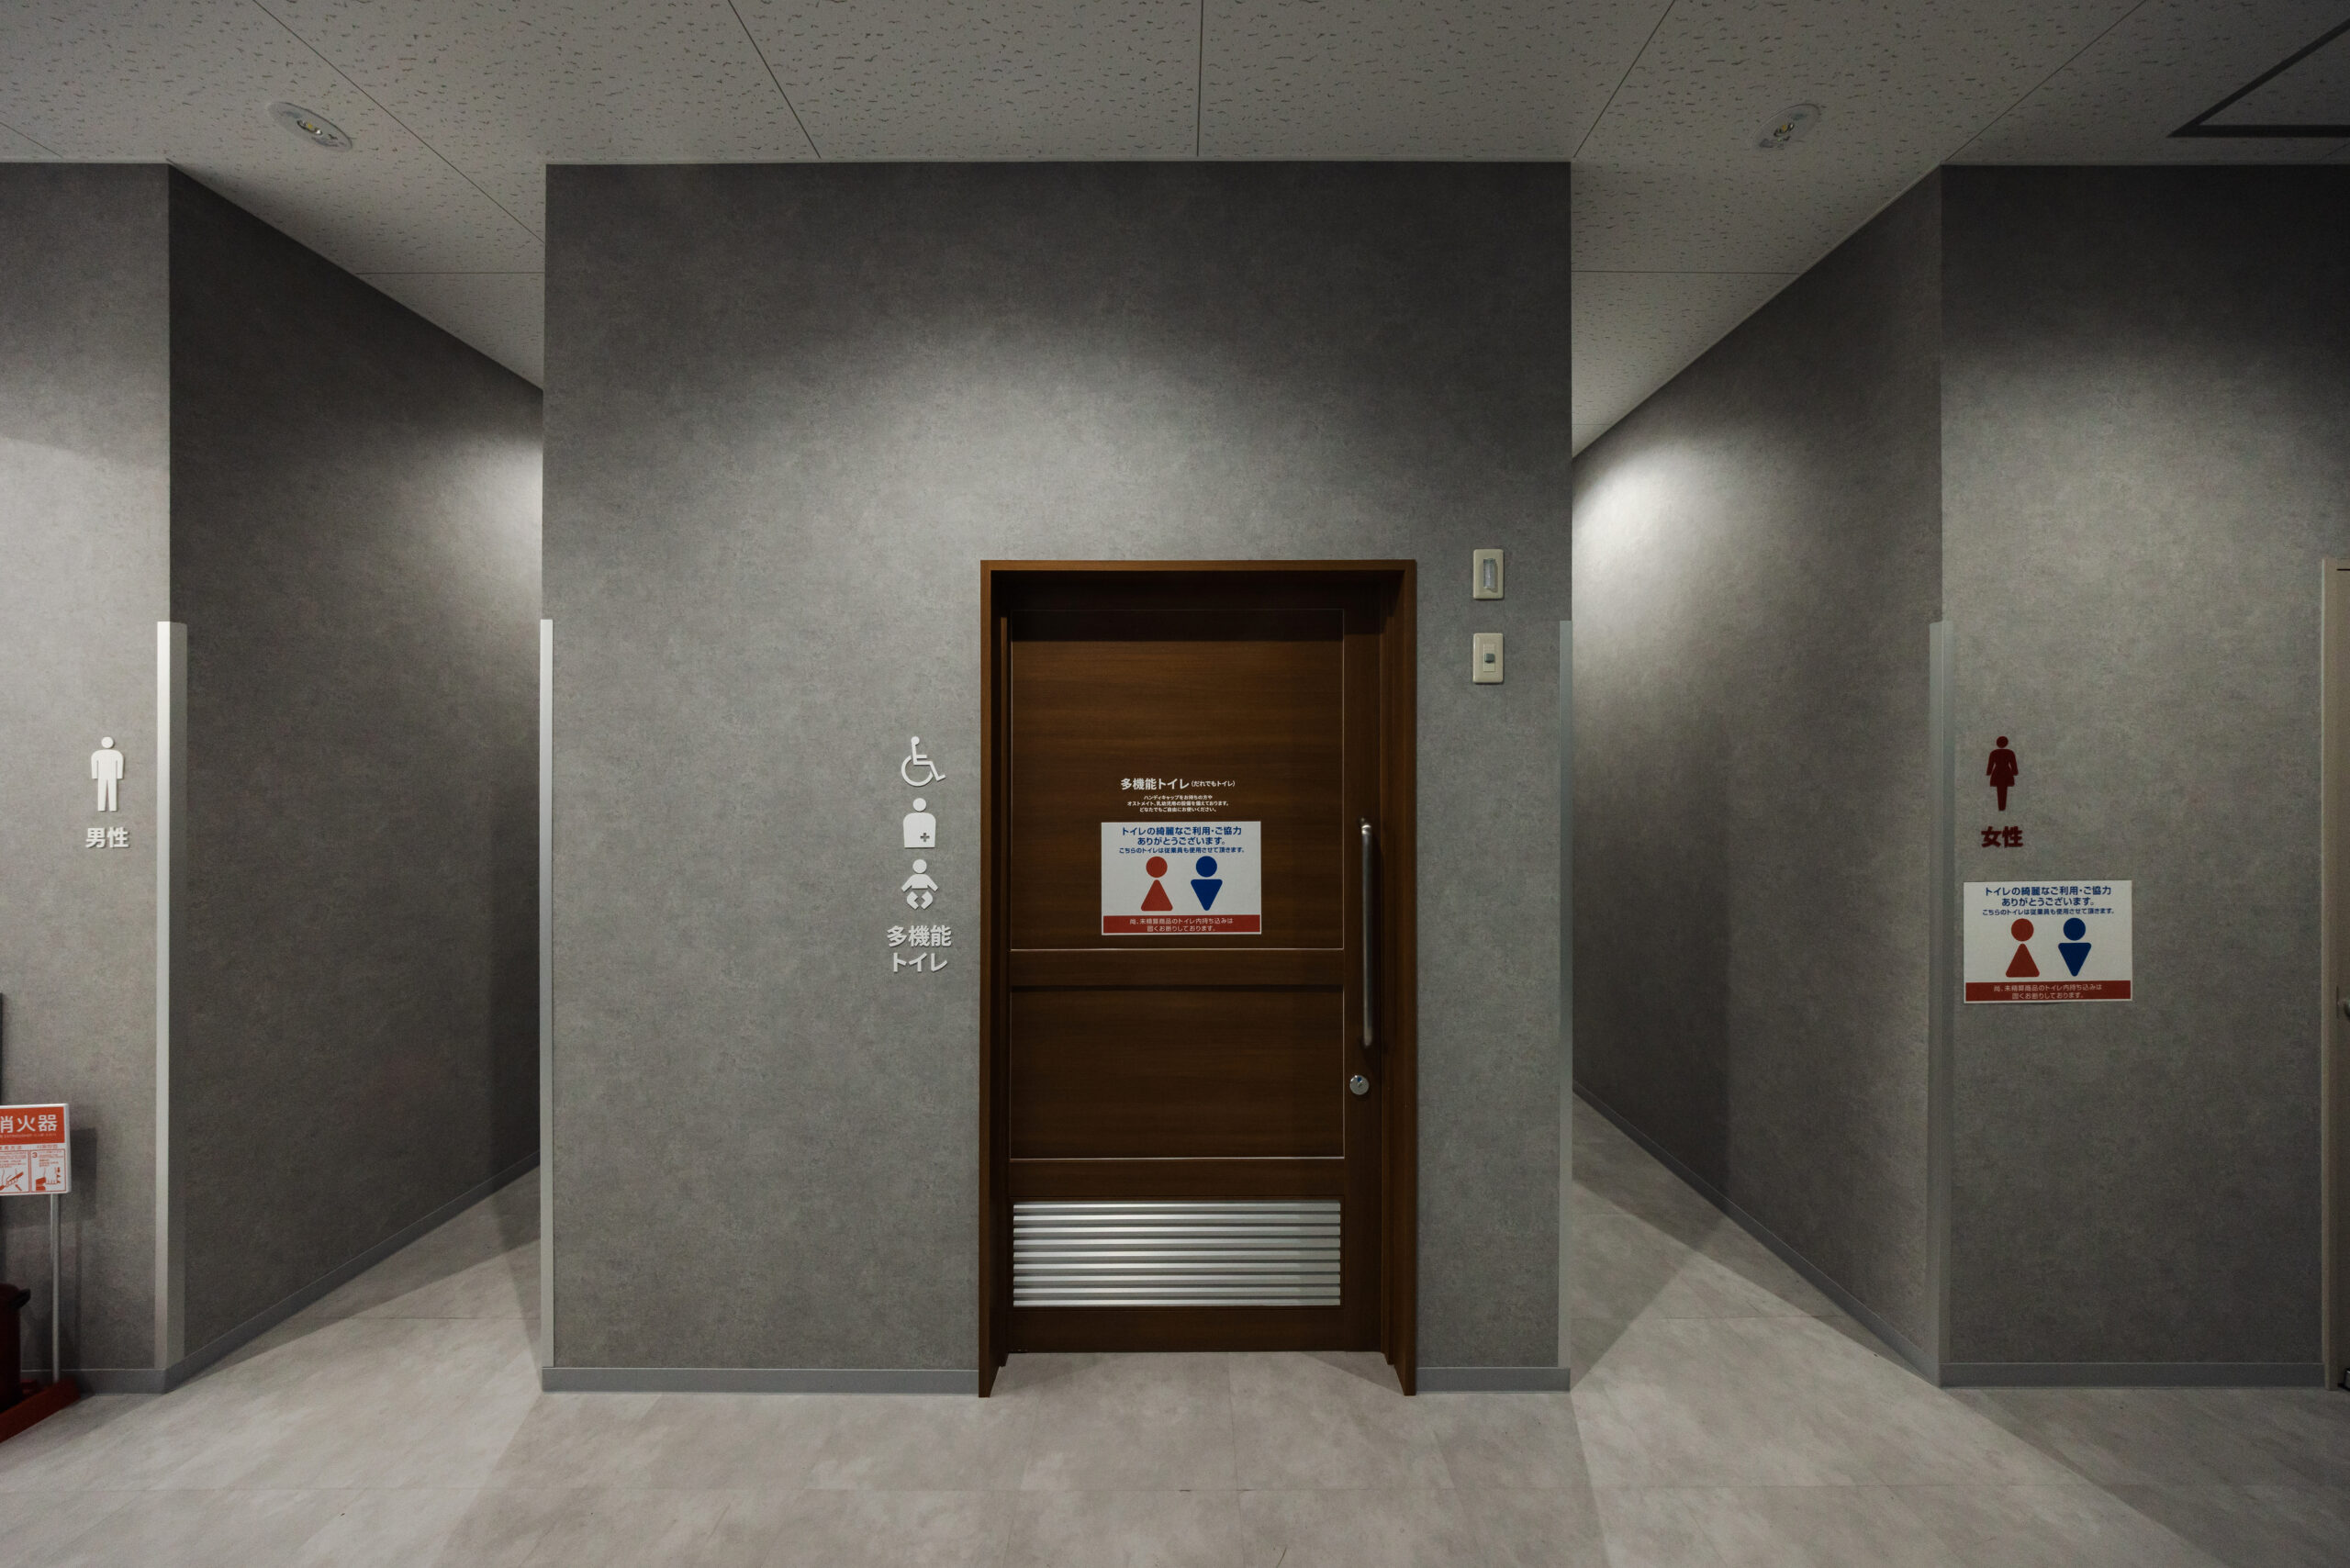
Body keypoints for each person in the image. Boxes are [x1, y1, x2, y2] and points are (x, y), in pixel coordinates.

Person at [91, 737, 124, 812]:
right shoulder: (116, 754)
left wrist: (95, 775)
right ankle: (107, 807)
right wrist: (119, 775)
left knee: (106, 790)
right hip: (107, 775)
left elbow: (120, 764)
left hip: (106, 775)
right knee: (109, 790)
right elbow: (120, 764)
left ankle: (109, 807)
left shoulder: (97, 754)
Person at [1986, 736, 2018, 812]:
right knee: (2004, 791)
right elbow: (2013, 765)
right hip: (2007, 772)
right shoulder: (2010, 752)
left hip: (1997, 772)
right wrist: (2015, 772)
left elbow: (1990, 765)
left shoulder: (1994, 753)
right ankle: (2002, 808)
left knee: (2000, 791)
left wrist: (1988, 772)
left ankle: (2001, 808)